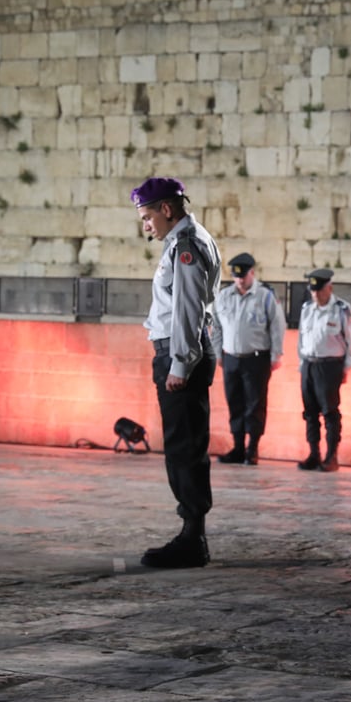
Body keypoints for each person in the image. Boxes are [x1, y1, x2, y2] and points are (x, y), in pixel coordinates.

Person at [131, 177, 221, 569]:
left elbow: (187, 309)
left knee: (184, 447)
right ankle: (191, 533)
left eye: (148, 216)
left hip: (180, 352)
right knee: (185, 444)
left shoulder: (186, 246)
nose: (146, 225)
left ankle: (191, 538)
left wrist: (180, 364)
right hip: (181, 349)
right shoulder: (189, 240)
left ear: (167, 209)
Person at [211, 253, 286, 466]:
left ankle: (252, 450)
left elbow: (277, 327)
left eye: (243, 276)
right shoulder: (224, 296)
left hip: (256, 359)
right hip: (231, 357)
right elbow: (215, 326)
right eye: (236, 277)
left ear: (252, 273)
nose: (240, 280)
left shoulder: (265, 296)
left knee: (255, 404)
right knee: (234, 403)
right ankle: (238, 447)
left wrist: (276, 355)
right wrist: (218, 353)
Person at [296, 268, 351, 472]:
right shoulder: (307, 308)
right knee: (309, 412)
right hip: (309, 363)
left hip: (330, 365)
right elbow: (301, 339)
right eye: (312, 290)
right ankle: (314, 454)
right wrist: (301, 363)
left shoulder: (341, 309)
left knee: (330, 412)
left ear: (329, 288)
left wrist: (346, 367)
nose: (315, 294)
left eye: (319, 290)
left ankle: (331, 456)